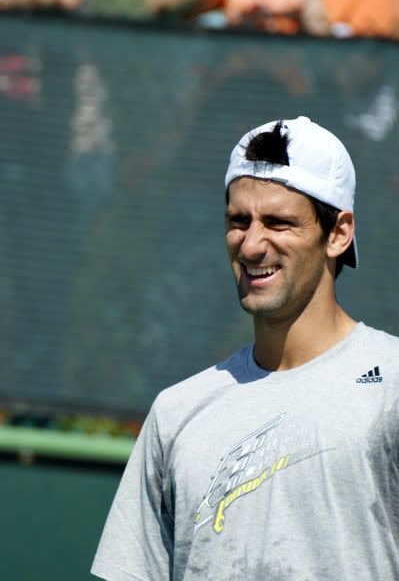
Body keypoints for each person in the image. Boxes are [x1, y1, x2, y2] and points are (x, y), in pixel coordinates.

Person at [91, 116, 399, 580]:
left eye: (278, 222)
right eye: (239, 221)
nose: (252, 245)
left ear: (338, 234)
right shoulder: (178, 412)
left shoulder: (391, 385)